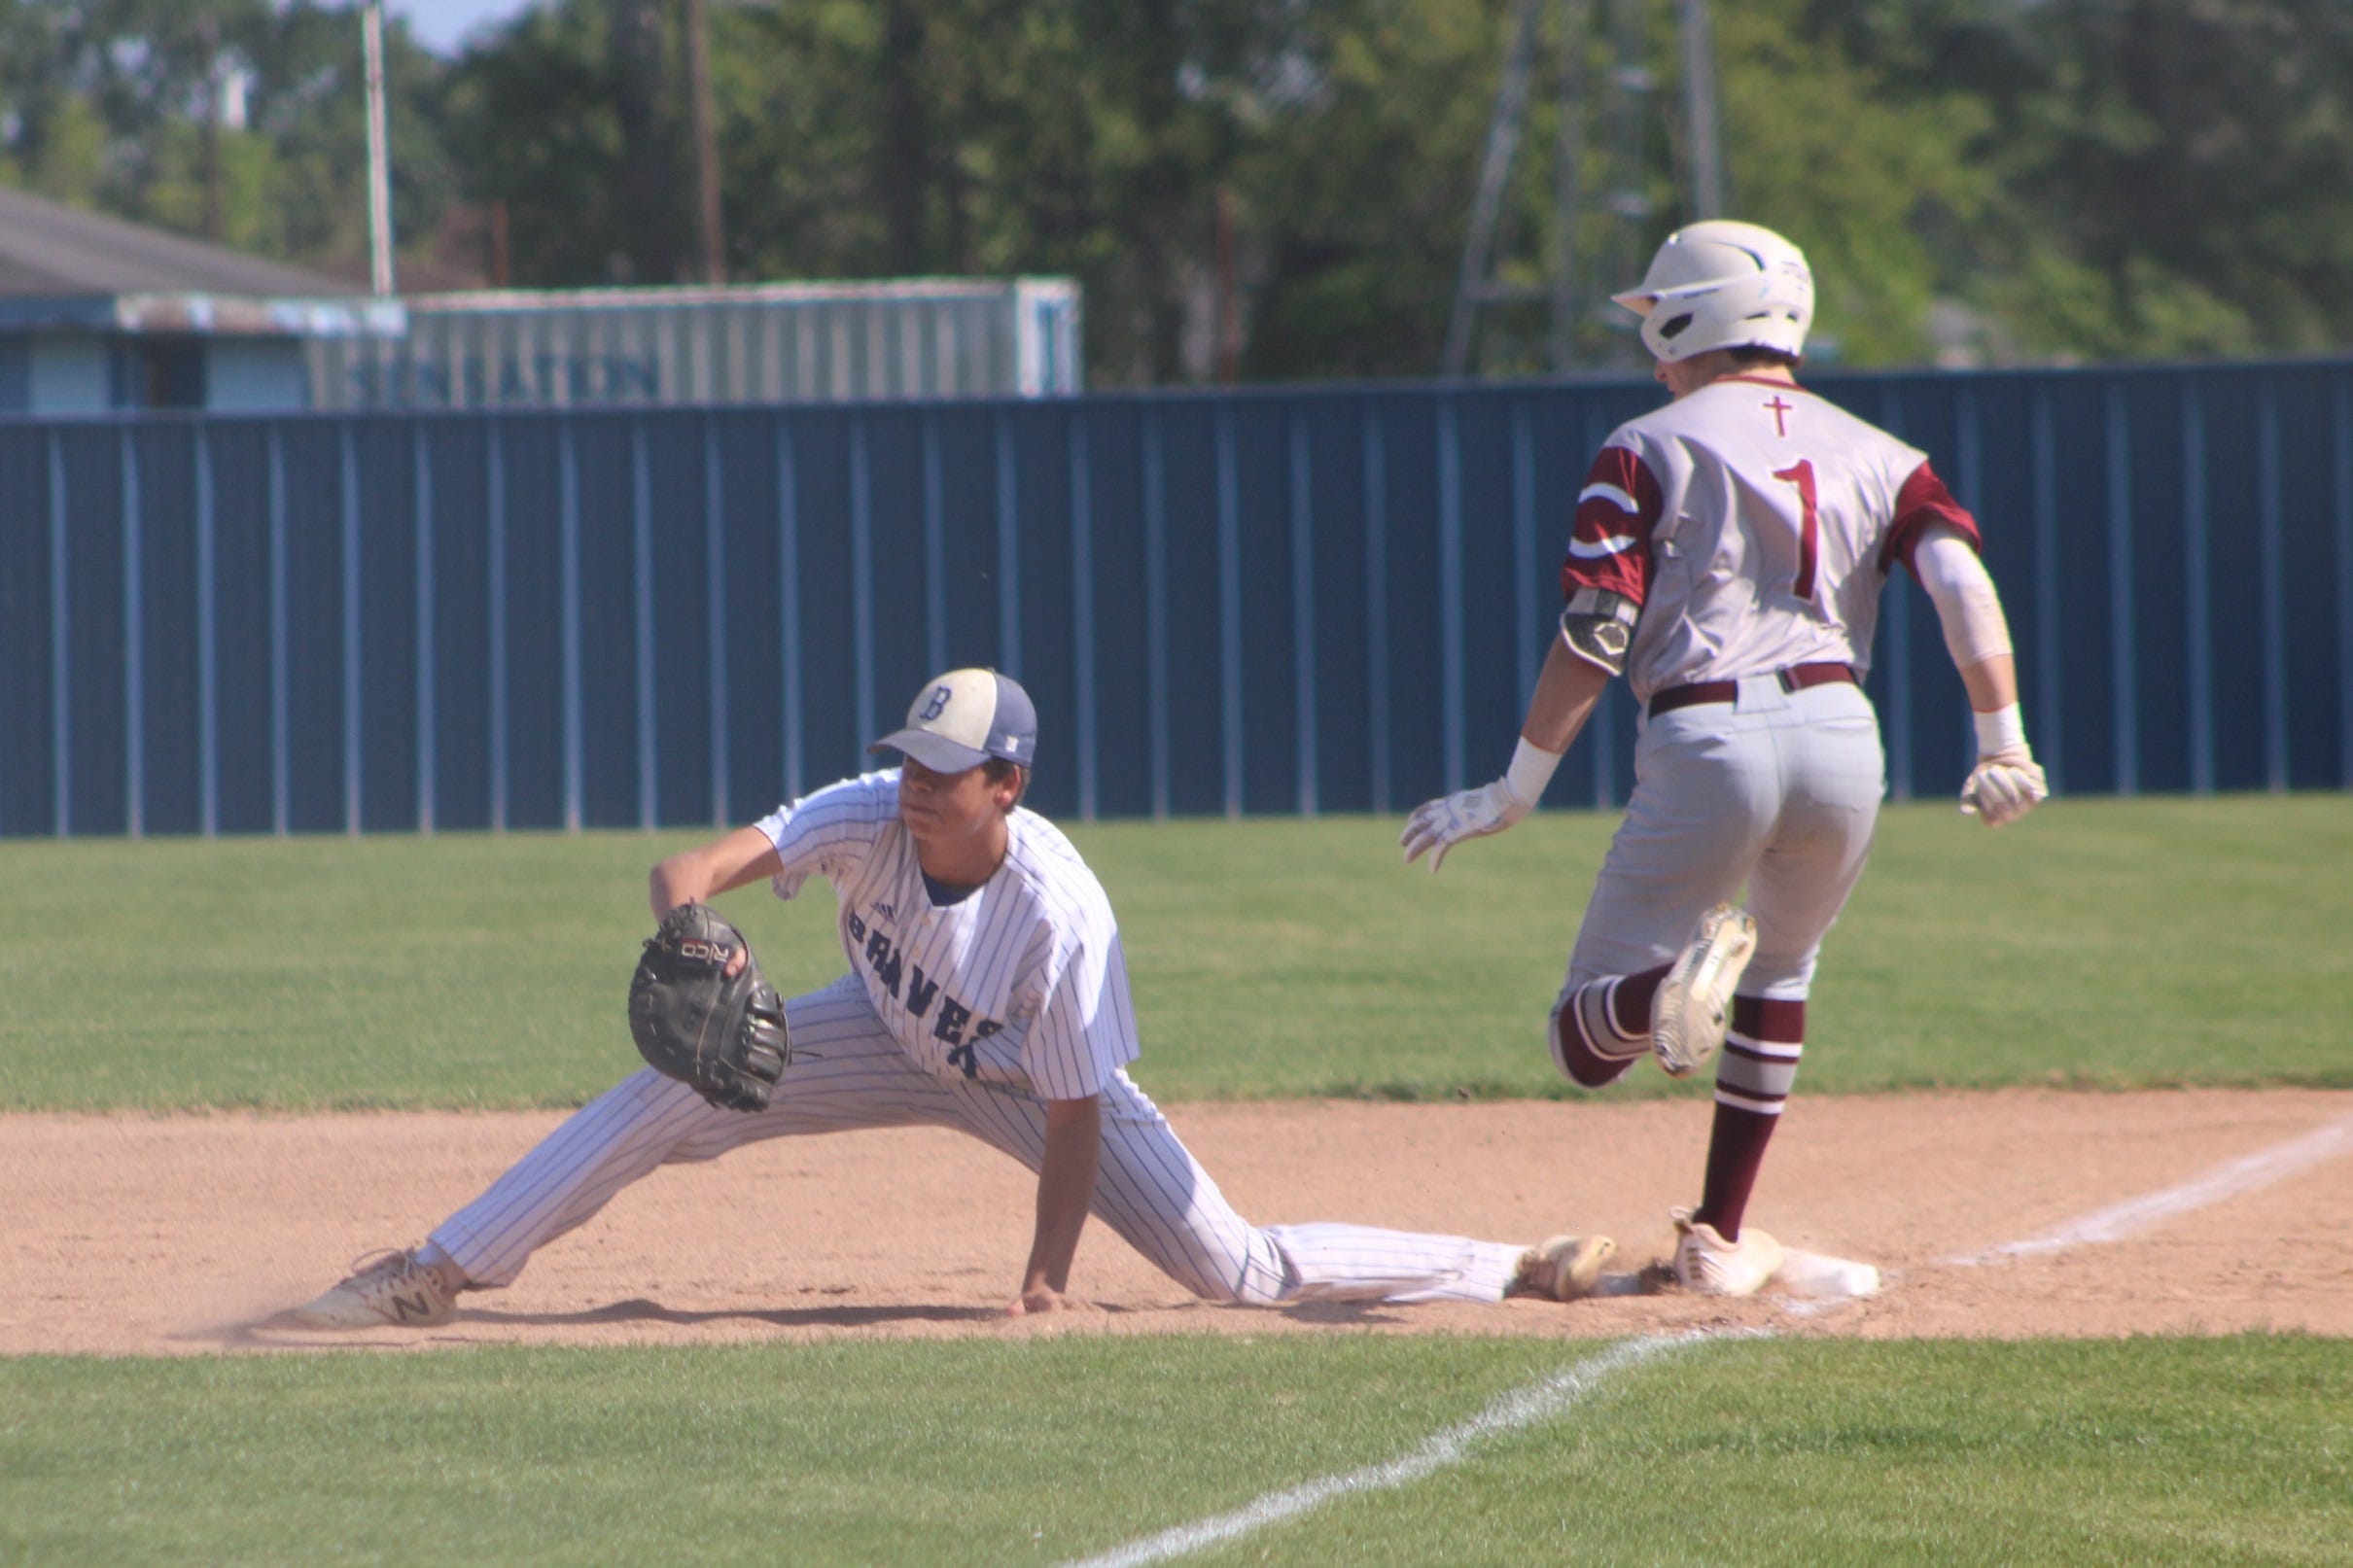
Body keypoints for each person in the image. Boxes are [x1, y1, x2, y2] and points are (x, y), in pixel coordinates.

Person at [292, 667, 1615, 1329]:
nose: (918, 783)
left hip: (1030, 1090)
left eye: (948, 767)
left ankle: (1507, 1266)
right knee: (670, 1094)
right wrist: (695, 931)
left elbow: (1080, 1110)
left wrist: (1044, 1283)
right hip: (877, 1034)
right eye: (912, 760)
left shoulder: (1064, 918)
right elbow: (684, 865)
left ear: (1009, 784)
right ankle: (432, 1271)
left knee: (1237, 1269)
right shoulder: (867, 816)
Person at [1400, 221, 2047, 1298]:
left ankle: (1664, 987)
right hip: (1844, 734)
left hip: (1706, 730)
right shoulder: (1885, 454)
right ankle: (1718, 1234)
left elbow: (1596, 627)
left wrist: (1513, 788)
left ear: (1697, 317)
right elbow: (1958, 581)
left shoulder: (1645, 443)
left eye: (1656, 317)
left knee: (1582, 1038)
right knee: (1781, 976)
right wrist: (2001, 739)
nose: (1650, 343)